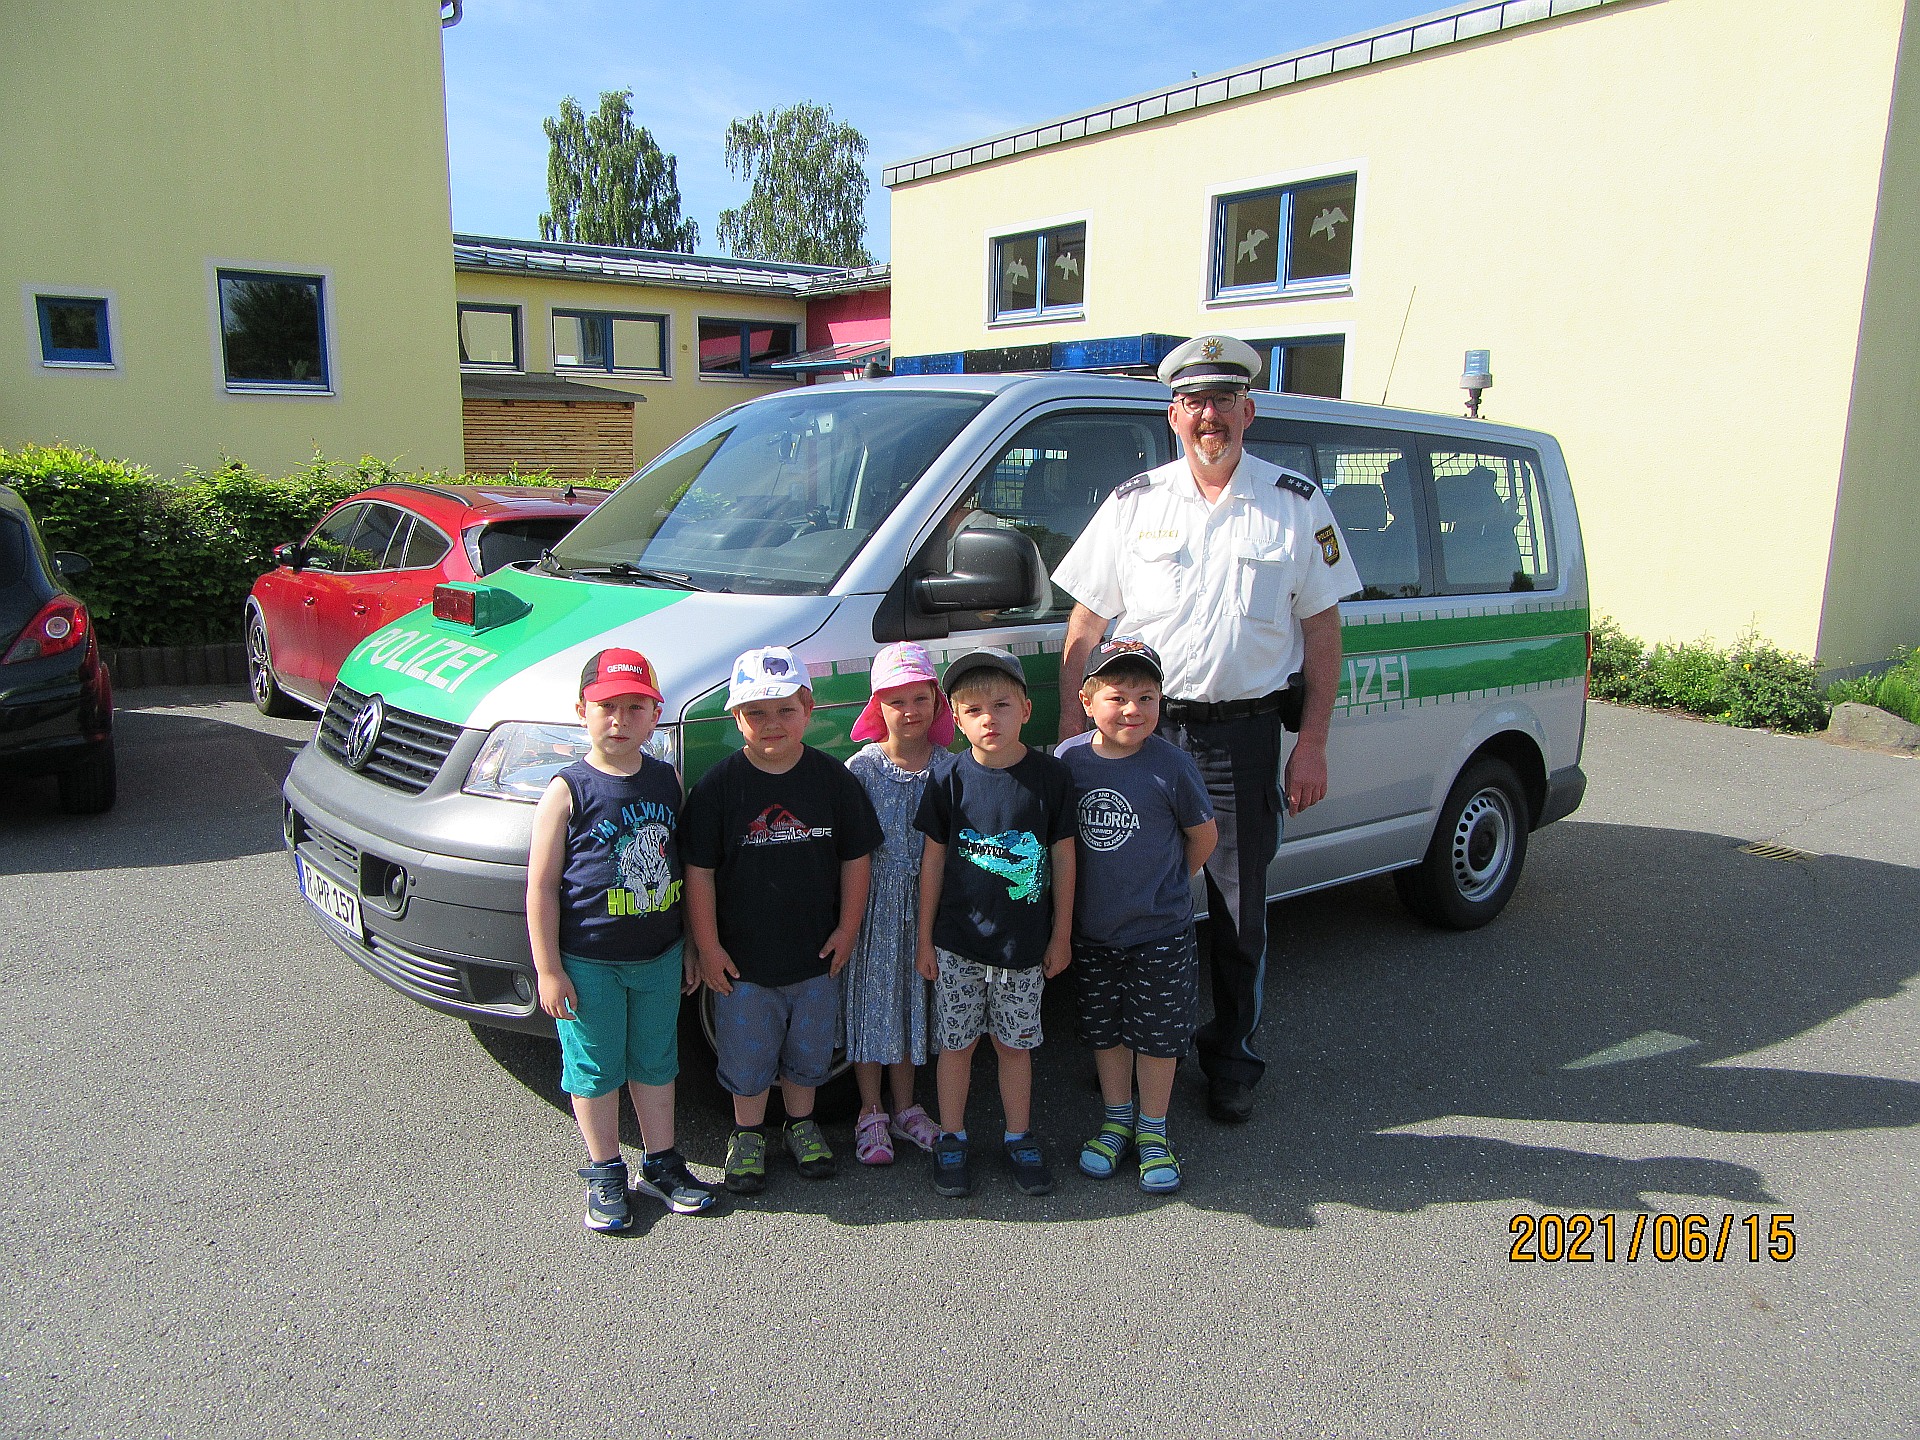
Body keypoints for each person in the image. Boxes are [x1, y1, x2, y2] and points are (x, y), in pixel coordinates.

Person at [1052, 334, 1361, 1125]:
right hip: (1136, 741)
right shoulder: (1133, 504)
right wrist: (1069, 740)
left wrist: (1314, 740)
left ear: (1248, 410)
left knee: (1235, 911)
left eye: (1224, 400)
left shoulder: (1294, 504)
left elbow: (1322, 630)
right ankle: (1127, 1052)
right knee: (1121, 903)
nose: (1209, 416)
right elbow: (1086, 621)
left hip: (1241, 740)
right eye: (1194, 403)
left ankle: (1232, 1057)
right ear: (1173, 415)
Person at [526, 647, 717, 1232]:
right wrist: (549, 969)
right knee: (595, 1068)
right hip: (590, 962)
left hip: (657, 956)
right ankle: (605, 1168)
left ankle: (660, 1162)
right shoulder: (567, 789)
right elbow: (541, 888)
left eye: (636, 707)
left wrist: (687, 941)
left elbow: (680, 867)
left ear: (653, 716)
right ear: (581, 709)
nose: (620, 718)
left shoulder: (666, 779)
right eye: (607, 705)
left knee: (656, 1062)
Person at [681, 646, 882, 1195]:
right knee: (746, 1057)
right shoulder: (718, 789)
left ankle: (801, 1124)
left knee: (809, 1055)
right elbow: (698, 873)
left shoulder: (833, 781)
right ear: (734, 717)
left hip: (815, 958)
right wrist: (708, 944)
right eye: (756, 713)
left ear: (809, 710)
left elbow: (855, 858)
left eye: (785, 710)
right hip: (743, 965)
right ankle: (747, 1133)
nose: (772, 724)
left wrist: (848, 929)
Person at [913, 647, 1077, 1199]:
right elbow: (933, 861)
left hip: (1024, 947)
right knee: (955, 1046)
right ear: (955, 720)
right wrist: (924, 939)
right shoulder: (949, 779)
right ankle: (953, 1136)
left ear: (1027, 710)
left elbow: (1063, 859)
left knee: (1015, 1046)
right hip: (957, 945)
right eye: (974, 710)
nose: (990, 719)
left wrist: (1060, 935)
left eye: (1002, 706)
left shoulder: (1050, 777)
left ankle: (1018, 1136)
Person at [1056, 638, 1217, 1193]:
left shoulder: (1170, 764)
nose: (1132, 710)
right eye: (1117, 696)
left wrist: (1169, 885)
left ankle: (1154, 1129)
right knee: (1106, 1031)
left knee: (1157, 1036)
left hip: (1160, 931)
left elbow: (1202, 838)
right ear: (1085, 700)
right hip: (1093, 931)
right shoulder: (1068, 760)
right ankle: (1116, 1118)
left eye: (1146, 697)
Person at [841, 642, 954, 1165]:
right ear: (877, 707)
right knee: (872, 1008)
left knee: (910, 1006)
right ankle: (870, 1111)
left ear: (936, 702)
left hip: (930, 905)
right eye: (896, 701)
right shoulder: (861, 771)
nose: (909, 712)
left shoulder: (952, 769)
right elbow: (846, 848)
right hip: (874, 905)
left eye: (919, 699)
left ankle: (907, 1107)